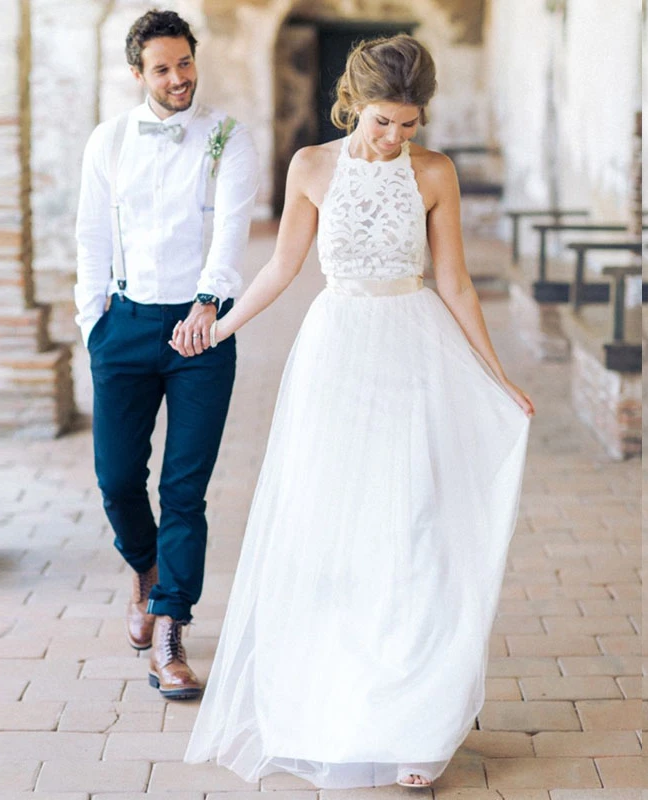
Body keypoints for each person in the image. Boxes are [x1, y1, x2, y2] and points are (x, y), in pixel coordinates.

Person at [180, 34, 533, 789]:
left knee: (412, 527)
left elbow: (457, 284)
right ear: (353, 103)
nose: (395, 138)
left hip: (414, 349)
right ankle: (329, 706)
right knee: (328, 528)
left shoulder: (435, 173)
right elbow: (281, 266)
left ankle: (413, 721)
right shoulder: (311, 166)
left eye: (409, 124)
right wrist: (219, 328)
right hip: (336, 352)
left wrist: (498, 377)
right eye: (381, 122)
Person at [74, 9, 258, 701]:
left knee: (183, 489)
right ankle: (146, 570)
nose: (178, 78)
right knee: (118, 479)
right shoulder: (109, 140)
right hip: (122, 326)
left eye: (185, 63)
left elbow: (233, 229)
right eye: (162, 68)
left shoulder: (228, 138)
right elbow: (92, 234)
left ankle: (171, 626)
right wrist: (92, 319)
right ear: (137, 74)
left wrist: (209, 304)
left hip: (200, 332)